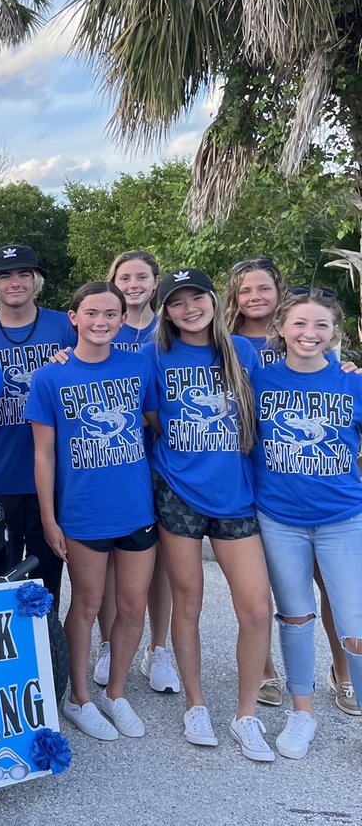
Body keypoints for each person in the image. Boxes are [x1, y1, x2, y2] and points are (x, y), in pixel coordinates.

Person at [142, 268, 274, 759]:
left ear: (214, 301)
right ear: (166, 311)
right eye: (176, 302)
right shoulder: (154, 356)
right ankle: (195, 703)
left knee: (256, 607)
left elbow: (271, 404)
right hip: (178, 489)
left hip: (234, 493)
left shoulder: (242, 352)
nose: (189, 308)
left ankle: (246, 715)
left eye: (197, 297)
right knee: (188, 599)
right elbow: (154, 420)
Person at [26, 281, 158, 741]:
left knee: (132, 604)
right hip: (83, 513)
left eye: (111, 314)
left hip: (137, 509)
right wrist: (49, 517)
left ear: (124, 320)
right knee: (85, 604)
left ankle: (115, 692)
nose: (101, 321)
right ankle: (77, 696)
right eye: (92, 313)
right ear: (74, 317)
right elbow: (43, 455)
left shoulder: (140, 367)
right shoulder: (50, 378)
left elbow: (156, 426)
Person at [224, 259, 355, 713]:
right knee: (289, 604)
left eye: (321, 324)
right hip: (274, 504)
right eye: (245, 290)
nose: (309, 331)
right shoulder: (245, 364)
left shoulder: (337, 364)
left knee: (345, 605)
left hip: (336, 508)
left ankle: (345, 675)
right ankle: (287, 692)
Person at [250, 288, 362, 758]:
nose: (309, 334)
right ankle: (302, 713)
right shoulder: (258, 379)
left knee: (354, 623)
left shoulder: (353, 381)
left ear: (335, 331)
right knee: (295, 616)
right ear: (280, 329)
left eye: (320, 325)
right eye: (299, 324)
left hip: (342, 518)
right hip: (279, 519)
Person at [0, 244, 75, 601]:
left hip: (53, 474)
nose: (15, 282)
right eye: (4, 276)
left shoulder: (62, 326)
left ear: (36, 280)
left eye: (23, 274)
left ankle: (46, 649)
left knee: (47, 576)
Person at [93, 250, 179, 694]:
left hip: (160, 456)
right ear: (113, 282)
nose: (132, 283)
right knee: (110, 560)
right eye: (123, 276)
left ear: (155, 281)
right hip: (114, 462)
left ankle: (157, 650)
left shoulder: (170, 328)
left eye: (141, 276)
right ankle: (110, 643)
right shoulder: (103, 323)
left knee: (159, 560)